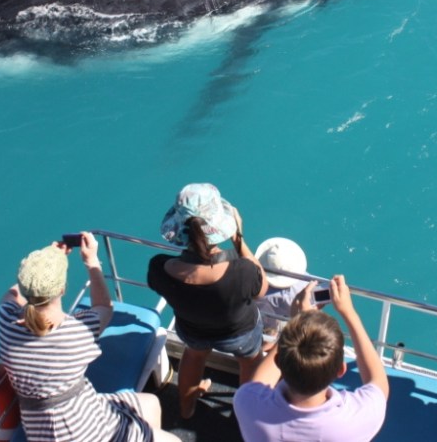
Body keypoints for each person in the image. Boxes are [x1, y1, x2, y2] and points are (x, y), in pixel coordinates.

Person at [0, 233, 178, 442]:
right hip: (89, 429)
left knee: (150, 403)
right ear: (62, 289)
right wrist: (91, 261)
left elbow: (10, 296)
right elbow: (104, 308)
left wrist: (41, 268)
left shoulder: (6, 322)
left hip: (41, 429)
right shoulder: (76, 333)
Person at [147, 183, 269, 419]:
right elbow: (261, 288)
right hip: (239, 333)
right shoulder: (242, 272)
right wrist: (239, 240)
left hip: (193, 330)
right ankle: (245, 415)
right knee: (249, 362)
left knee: (193, 356)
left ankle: (186, 408)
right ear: (220, 225)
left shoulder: (160, 267)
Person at [233, 276, 389, 441]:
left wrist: (297, 323)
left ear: (279, 363)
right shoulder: (355, 421)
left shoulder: (248, 404)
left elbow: (258, 381)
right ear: (341, 370)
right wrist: (348, 312)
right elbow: (378, 384)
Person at [254, 237, 310, 347]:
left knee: (267, 332)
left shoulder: (253, 284)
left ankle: (265, 346)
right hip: (283, 318)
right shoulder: (303, 287)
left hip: (260, 316)